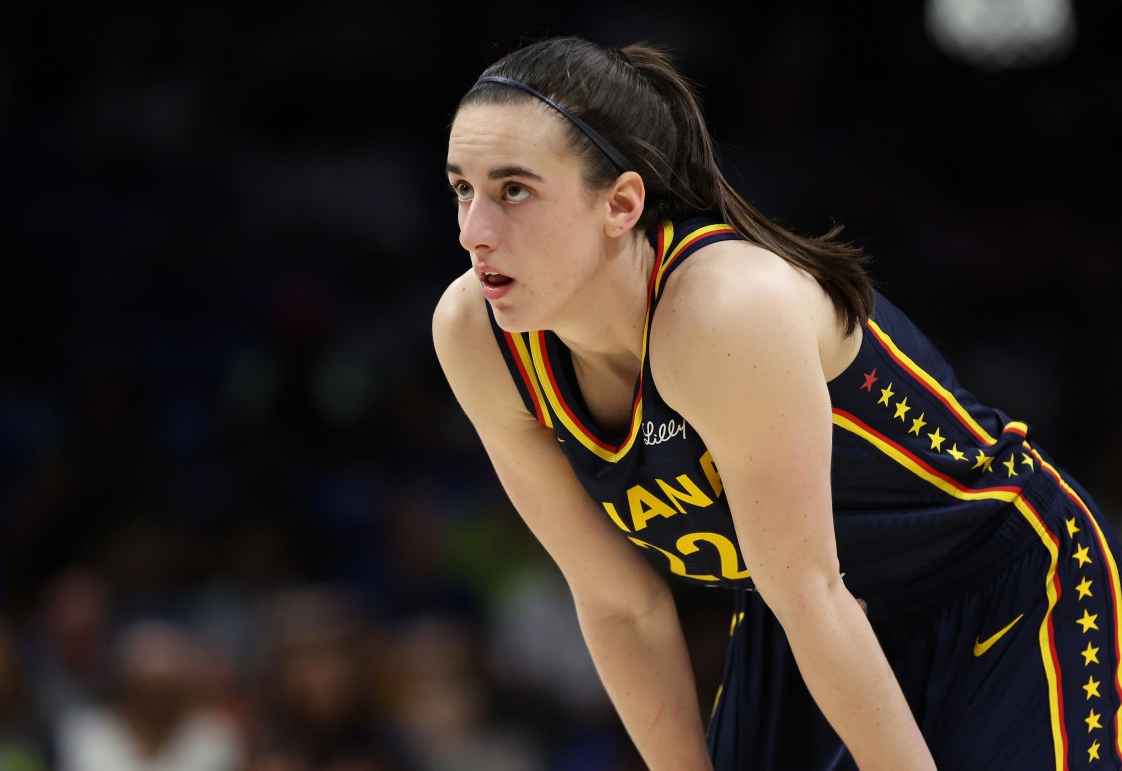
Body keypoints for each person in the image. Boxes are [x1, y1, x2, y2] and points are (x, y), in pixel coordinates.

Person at [431, 35, 1122, 771]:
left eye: (514, 191)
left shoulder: (722, 310)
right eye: (462, 189)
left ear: (622, 203)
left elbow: (815, 594)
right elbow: (618, 602)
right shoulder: (475, 332)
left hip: (998, 587)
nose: (475, 232)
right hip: (802, 617)